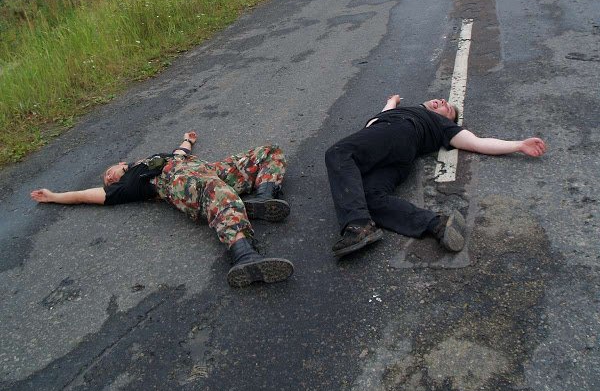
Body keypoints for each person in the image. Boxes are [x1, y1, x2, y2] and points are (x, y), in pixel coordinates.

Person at [31, 131, 294, 288]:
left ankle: (264, 197)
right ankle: (244, 255)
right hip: (177, 181)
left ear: (121, 163)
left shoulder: (148, 160)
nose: (109, 178)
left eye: (109, 172)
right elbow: (85, 196)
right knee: (217, 193)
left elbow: (179, 152)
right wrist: (54, 196)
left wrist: (187, 140)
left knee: (269, 151)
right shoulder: (128, 185)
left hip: (204, 167)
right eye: (107, 181)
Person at [325, 95, 547, 258]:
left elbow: (478, 143)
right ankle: (436, 224)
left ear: (448, 120)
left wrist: (519, 145)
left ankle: (359, 225)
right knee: (368, 197)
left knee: (339, 153)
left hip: (396, 132)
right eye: (441, 100)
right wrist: (392, 101)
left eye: (447, 108)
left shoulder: (441, 125)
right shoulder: (401, 111)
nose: (442, 102)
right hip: (398, 157)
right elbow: (382, 113)